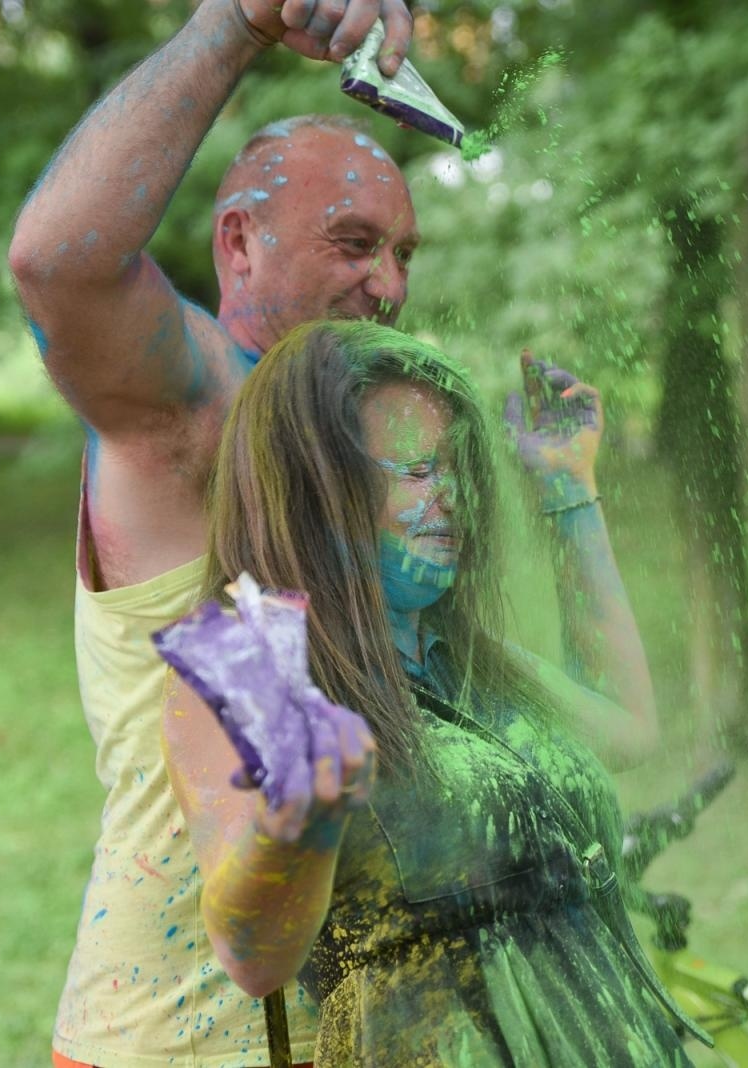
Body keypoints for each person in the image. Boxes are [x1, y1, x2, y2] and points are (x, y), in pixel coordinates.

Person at [5, 0, 420, 1064]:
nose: (390, 285)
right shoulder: (199, 408)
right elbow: (58, 265)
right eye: (354, 244)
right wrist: (234, 23)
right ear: (238, 243)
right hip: (170, 1044)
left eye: (404, 254)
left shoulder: (344, 434)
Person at [161, 320, 715, 1064]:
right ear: (314, 491)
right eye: (418, 472)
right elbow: (254, 958)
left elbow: (627, 729)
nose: (452, 497)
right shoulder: (244, 669)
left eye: (455, 469)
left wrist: (568, 490)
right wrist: (296, 824)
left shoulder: (456, 654)